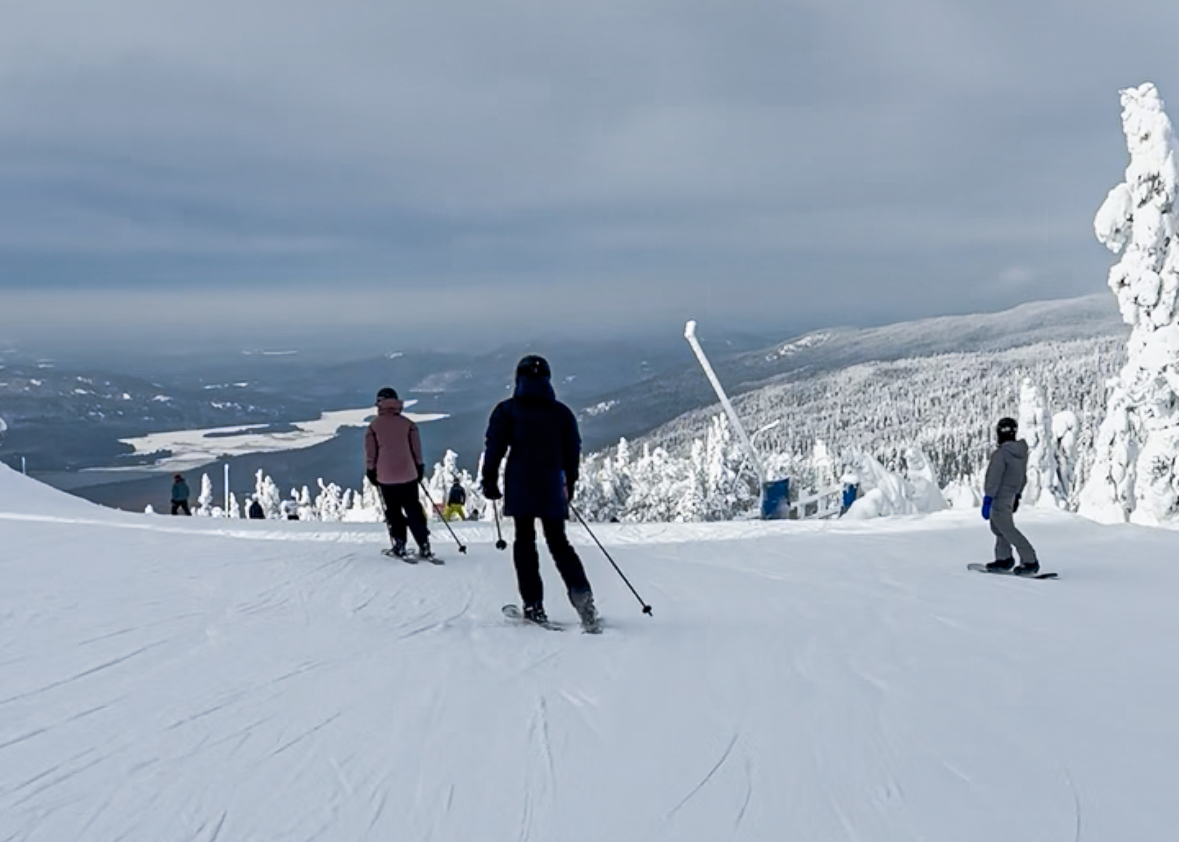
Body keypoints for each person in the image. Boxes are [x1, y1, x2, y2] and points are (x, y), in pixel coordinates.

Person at [482, 355, 598, 631]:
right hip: (551, 484)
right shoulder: (562, 413)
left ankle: (533, 605)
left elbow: (495, 448)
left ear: (518, 379)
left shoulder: (507, 411)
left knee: (524, 541)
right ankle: (583, 600)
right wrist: (569, 485)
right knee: (559, 543)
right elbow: (572, 453)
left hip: (520, 483)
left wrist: (489, 481)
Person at [365, 387, 432, 559]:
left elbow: (371, 454)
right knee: (413, 509)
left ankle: (399, 544)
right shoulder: (408, 424)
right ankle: (424, 544)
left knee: (393, 511)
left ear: (379, 403)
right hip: (409, 475)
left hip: (385, 478)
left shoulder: (373, 427)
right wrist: (419, 468)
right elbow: (416, 450)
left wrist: (371, 471)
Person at [982, 416, 1040, 575]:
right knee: (999, 528)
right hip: (1010, 496)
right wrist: (1017, 495)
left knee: (1007, 530)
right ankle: (1004, 558)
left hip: (999, 497)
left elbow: (993, 478)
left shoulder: (1001, 454)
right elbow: (1022, 477)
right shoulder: (1020, 454)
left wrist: (988, 498)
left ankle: (1029, 560)